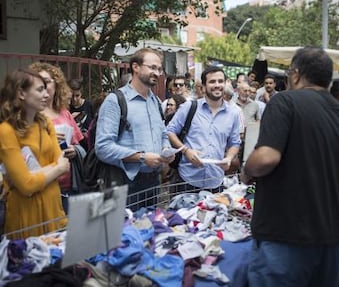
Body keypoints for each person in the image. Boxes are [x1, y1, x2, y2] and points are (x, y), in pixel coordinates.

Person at [243, 47, 339, 287]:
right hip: (331, 239)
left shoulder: (285, 101)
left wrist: (247, 169)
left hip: (285, 237)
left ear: (295, 75)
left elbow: (266, 158)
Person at [95, 48, 174, 209]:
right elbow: (102, 148)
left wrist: (166, 149)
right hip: (125, 182)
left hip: (153, 181)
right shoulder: (115, 100)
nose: (157, 73)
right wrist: (141, 157)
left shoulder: (156, 102)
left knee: (149, 229)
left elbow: (163, 133)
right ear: (135, 67)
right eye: (152, 67)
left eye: (159, 69)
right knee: (125, 232)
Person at [0, 69, 70, 239]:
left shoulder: (45, 124)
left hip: (53, 210)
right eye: (40, 90)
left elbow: (64, 166)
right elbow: (26, 185)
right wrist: (56, 169)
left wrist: (30, 176)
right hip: (26, 215)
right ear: (21, 93)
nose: (47, 94)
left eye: (46, 89)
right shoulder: (6, 131)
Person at [167, 66, 241, 190]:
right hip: (186, 179)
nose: (217, 85)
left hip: (215, 181)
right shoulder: (189, 107)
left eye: (220, 81)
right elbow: (170, 131)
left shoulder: (233, 113)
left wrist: (228, 158)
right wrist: (186, 151)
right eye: (212, 82)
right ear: (204, 86)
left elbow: (234, 143)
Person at [30, 62, 84, 213]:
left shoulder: (64, 113)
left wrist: (74, 150)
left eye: (46, 82)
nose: (43, 87)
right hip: (41, 185)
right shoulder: (27, 115)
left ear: (57, 85)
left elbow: (79, 144)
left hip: (69, 186)